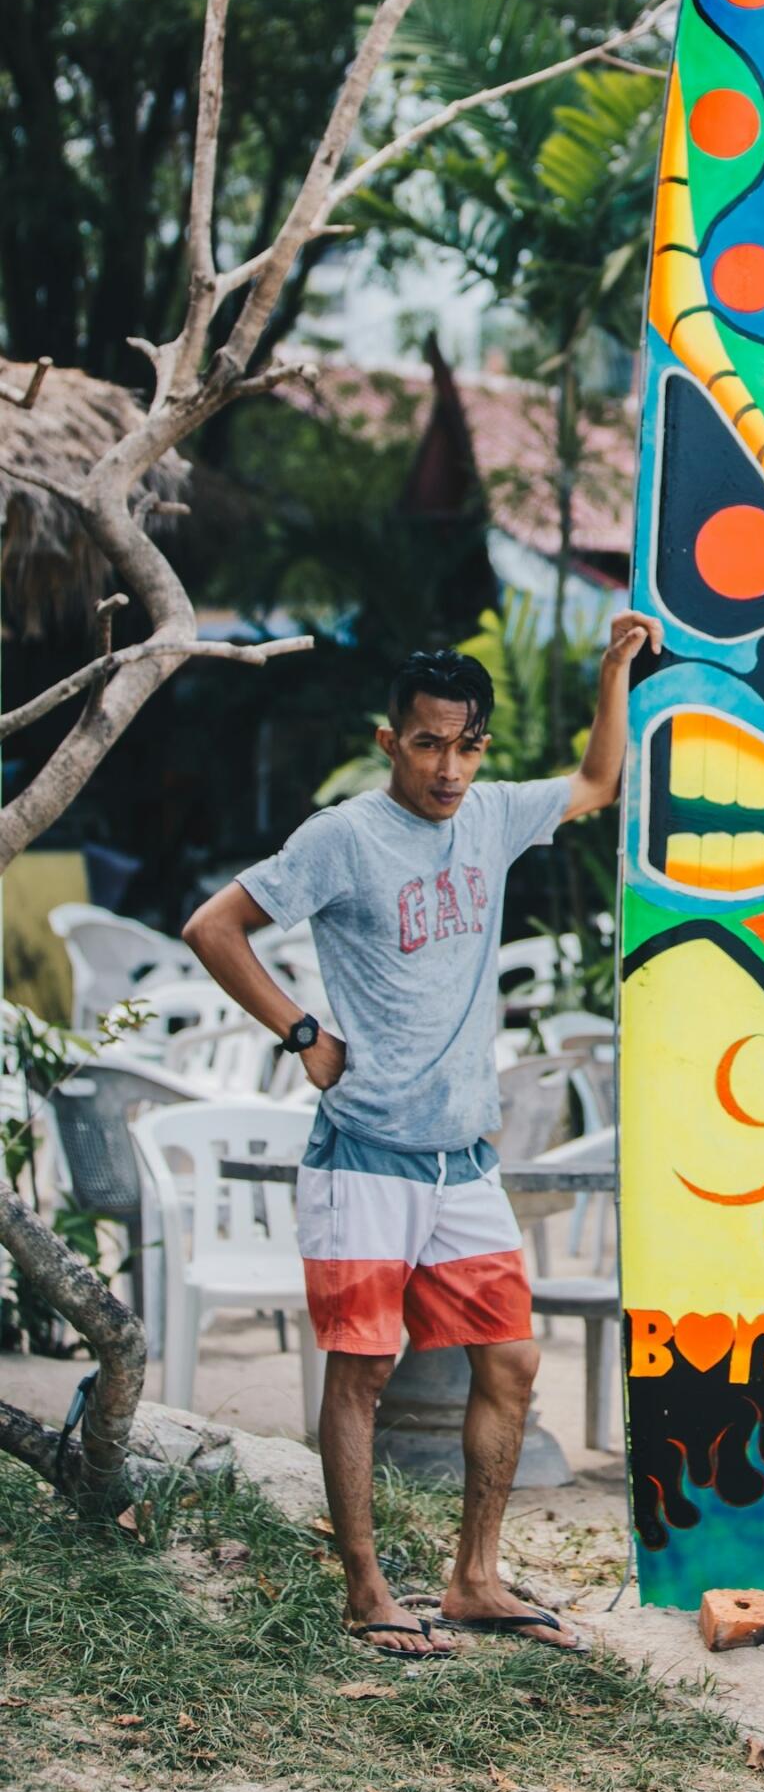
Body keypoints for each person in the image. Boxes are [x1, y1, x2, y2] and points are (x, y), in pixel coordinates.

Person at [183, 611, 660, 1660]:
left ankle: (474, 1576)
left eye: (467, 742)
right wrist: (301, 1031)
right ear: (391, 738)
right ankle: (365, 1587)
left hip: (463, 1160)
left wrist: (616, 672)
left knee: (514, 1361)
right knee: (362, 1370)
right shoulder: (343, 835)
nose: (450, 766)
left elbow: (594, 784)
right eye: (430, 742)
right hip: (363, 1158)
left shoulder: (490, 816)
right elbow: (214, 926)